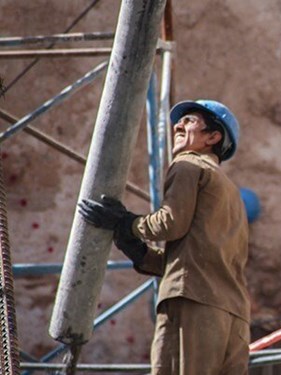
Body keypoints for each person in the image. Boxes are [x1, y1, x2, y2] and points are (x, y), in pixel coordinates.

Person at [78, 100, 251, 375]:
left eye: (189, 121)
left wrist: (128, 223)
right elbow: (200, 260)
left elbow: (169, 224)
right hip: (235, 319)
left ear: (213, 137)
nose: (178, 125)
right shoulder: (233, 196)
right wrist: (140, 253)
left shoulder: (189, 164)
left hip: (194, 306)